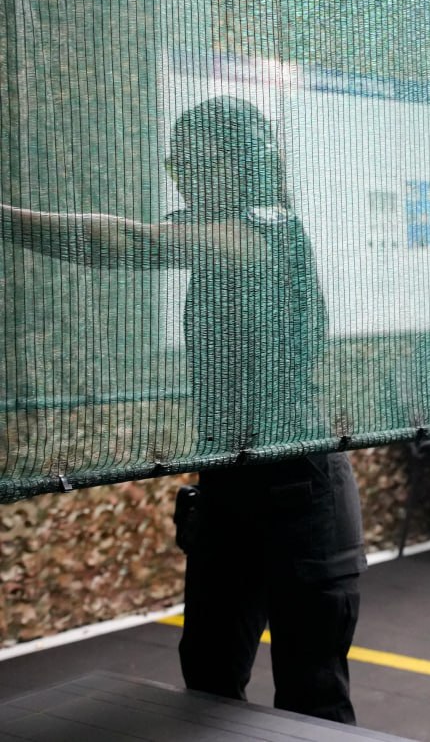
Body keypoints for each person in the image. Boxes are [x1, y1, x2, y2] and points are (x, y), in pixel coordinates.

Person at [0, 96, 366, 723]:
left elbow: (125, 242)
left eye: (196, 162)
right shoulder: (215, 229)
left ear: (239, 164)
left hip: (300, 491)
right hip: (229, 484)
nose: (184, 177)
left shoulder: (267, 230)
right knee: (208, 680)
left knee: (312, 699)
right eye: (179, 164)